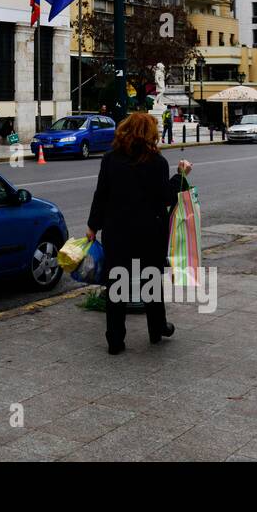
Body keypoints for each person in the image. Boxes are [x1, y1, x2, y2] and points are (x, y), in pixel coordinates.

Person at [86, 112, 192, 355]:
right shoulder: (157, 162)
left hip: (117, 232)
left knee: (117, 284)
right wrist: (181, 175)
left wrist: (93, 225)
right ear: (150, 135)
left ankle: (115, 340)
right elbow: (166, 197)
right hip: (150, 233)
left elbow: (100, 194)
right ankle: (157, 329)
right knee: (151, 280)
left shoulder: (110, 159)